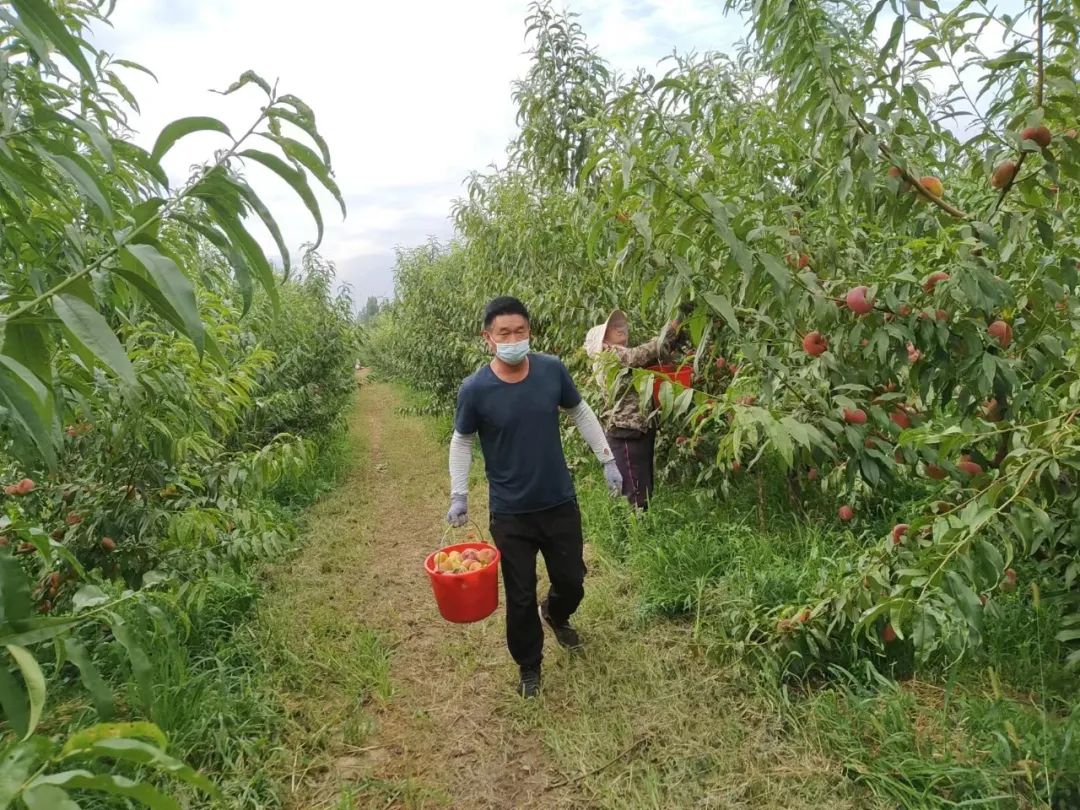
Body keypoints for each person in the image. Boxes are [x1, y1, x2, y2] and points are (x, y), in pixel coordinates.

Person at [446, 296, 623, 698]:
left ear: (529, 331)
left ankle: (557, 613)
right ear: (488, 338)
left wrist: (607, 460)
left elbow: (580, 412)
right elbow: (462, 441)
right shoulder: (475, 389)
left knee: (573, 579)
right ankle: (529, 665)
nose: (513, 338)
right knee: (520, 594)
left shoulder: (550, 371)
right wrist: (459, 494)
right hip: (510, 513)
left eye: (520, 331)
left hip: (558, 500)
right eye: (504, 333)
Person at [583, 309, 681, 511]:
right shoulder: (609, 356)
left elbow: (655, 357)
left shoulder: (625, 360)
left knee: (642, 481)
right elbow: (645, 352)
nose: (620, 329)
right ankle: (634, 530)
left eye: (621, 325)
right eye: (612, 327)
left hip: (638, 427)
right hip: (625, 430)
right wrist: (671, 329)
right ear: (603, 340)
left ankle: (639, 525)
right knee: (633, 486)